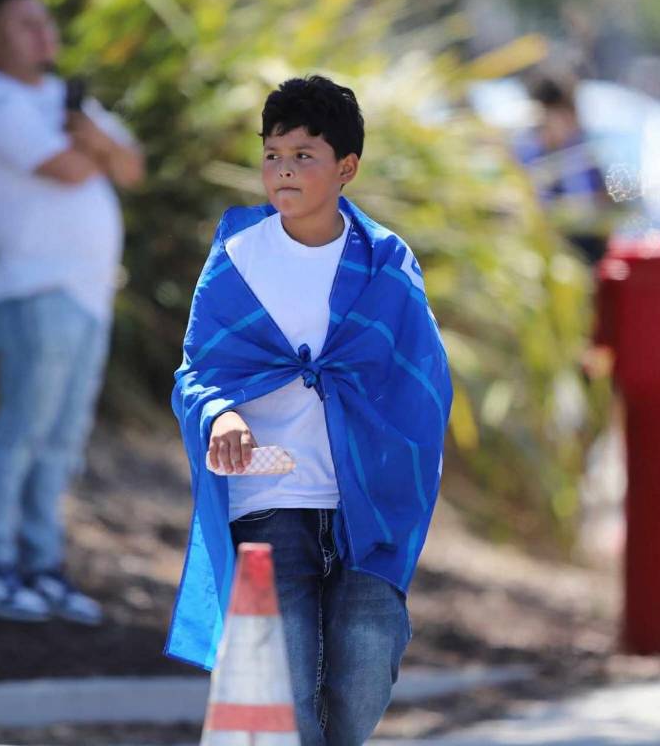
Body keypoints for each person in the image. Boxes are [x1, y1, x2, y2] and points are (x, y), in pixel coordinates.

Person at [168, 76, 452, 744]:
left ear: (346, 168)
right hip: (267, 500)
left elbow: (422, 383)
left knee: (362, 678)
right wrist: (222, 417)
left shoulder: (386, 262)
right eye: (273, 154)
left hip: (364, 508)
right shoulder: (238, 256)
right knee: (286, 694)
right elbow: (199, 372)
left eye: (304, 155)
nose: (284, 170)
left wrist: (388, 457)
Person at [0, 0, 144, 625]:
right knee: (22, 433)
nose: (43, 35)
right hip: (35, 291)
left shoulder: (66, 101)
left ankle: (42, 567)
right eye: (24, 25)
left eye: (45, 23)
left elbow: (133, 167)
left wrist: (89, 137)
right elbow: (72, 168)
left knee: (62, 441)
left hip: (86, 299)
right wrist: (94, 141)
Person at [515, 73, 611, 263]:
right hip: (541, 253)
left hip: (583, 251)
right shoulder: (525, 154)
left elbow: (605, 205)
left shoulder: (582, 152)